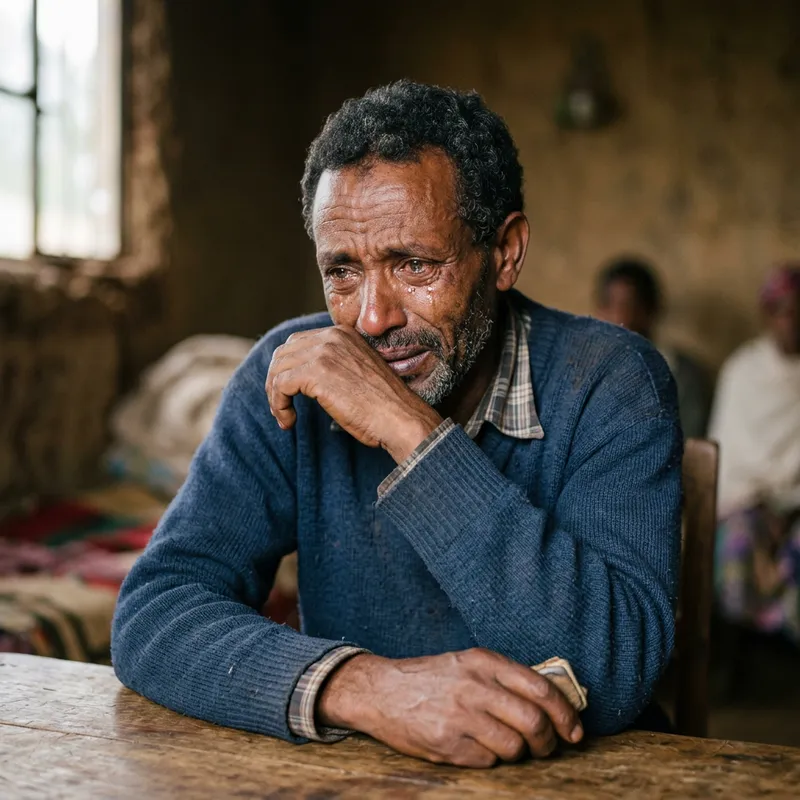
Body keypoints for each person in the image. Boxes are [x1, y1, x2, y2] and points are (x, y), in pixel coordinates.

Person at [112, 81, 682, 768]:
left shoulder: (613, 380)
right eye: (343, 272)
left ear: (505, 252)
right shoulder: (291, 370)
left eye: (415, 264)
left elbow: (612, 674)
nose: (373, 318)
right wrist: (364, 688)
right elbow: (155, 614)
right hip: (358, 777)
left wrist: (408, 431)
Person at [710, 263, 800, 642]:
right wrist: (763, 505)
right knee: (738, 546)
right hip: (747, 500)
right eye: (784, 311)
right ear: (768, 315)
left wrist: (790, 507)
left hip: (796, 505)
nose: (792, 321)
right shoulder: (742, 371)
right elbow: (729, 455)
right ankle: (743, 649)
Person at [594, 258, 713, 439]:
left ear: (650, 311)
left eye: (626, 306)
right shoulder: (586, 375)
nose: (616, 317)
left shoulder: (683, 376)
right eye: (608, 305)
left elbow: (689, 448)